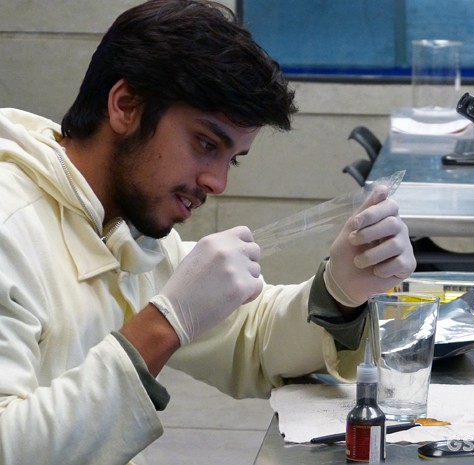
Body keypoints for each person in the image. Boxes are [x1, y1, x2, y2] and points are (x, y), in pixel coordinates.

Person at [0, 1, 415, 464]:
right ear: (126, 105)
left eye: (231, 158)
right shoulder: (11, 228)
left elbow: (250, 340)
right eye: (205, 144)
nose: (217, 182)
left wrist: (340, 290)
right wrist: (162, 325)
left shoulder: (121, 226)